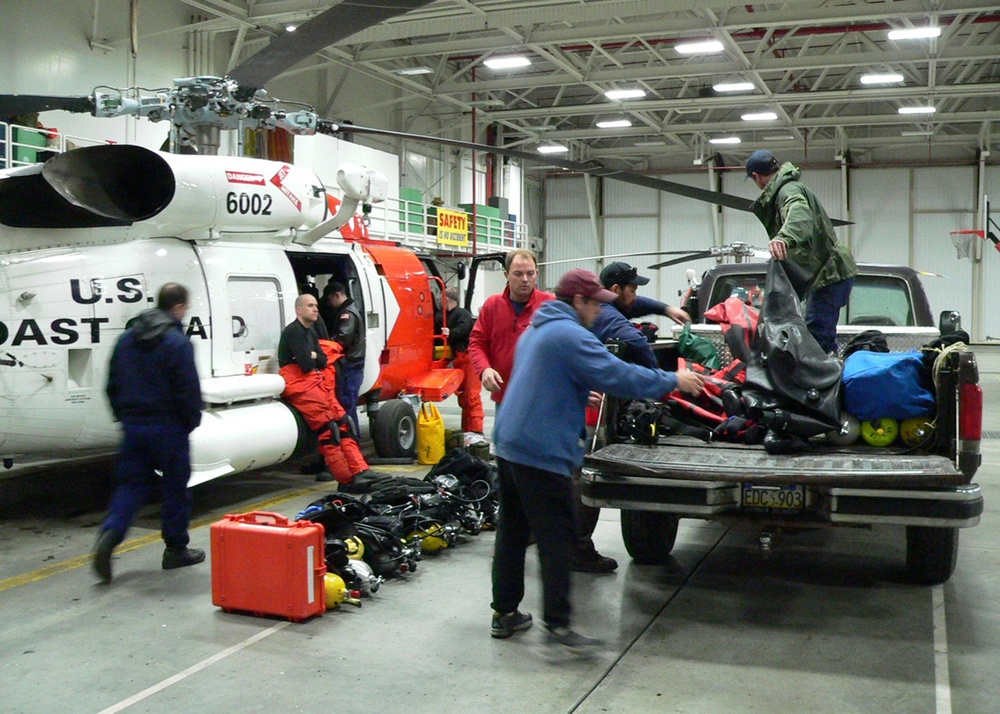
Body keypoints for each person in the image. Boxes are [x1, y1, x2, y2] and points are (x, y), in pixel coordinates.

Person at [489, 269, 704, 660]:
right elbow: (617, 374)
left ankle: (505, 613)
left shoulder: (538, 328)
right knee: (557, 537)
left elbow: (542, 376)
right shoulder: (572, 335)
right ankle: (558, 625)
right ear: (578, 302)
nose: (600, 310)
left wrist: (574, 389)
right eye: (596, 303)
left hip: (509, 442)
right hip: (540, 449)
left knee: (513, 531)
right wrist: (673, 379)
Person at [562, 260, 691, 574]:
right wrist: (661, 379)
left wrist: (664, 308)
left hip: (576, 404)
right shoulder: (608, 315)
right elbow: (633, 341)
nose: (636, 297)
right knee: (583, 476)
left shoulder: (592, 311)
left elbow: (633, 306)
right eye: (632, 289)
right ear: (613, 291)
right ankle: (576, 548)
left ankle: (561, 542)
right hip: (589, 408)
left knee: (570, 475)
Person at [93, 283, 205, 584]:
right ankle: (176, 549)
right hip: (169, 427)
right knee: (175, 488)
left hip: (134, 426)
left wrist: (124, 417)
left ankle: (112, 532)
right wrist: (190, 422)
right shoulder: (178, 343)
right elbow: (188, 390)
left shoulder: (126, 339)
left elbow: (111, 385)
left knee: (130, 485)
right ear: (179, 307)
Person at [746, 150, 858, 355]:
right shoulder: (788, 188)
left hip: (829, 273)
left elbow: (799, 213)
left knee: (817, 338)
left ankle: (822, 382)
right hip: (828, 274)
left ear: (756, 176)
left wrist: (784, 236)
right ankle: (830, 376)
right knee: (820, 335)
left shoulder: (787, 191)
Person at [278, 294, 375, 492]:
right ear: (299, 310)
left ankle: (359, 470)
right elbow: (306, 365)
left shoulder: (311, 332)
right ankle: (345, 479)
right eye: (310, 306)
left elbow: (320, 361)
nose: (316, 309)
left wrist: (312, 356)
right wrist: (312, 357)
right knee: (328, 430)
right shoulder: (293, 332)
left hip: (314, 380)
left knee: (343, 421)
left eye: (316, 305)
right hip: (299, 383)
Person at [467, 249, 554, 405]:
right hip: (504, 397)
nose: (525, 279)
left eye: (530, 273)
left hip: (542, 398)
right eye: (518, 274)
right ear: (506, 275)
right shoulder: (492, 306)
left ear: (537, 273)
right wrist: (484, 369)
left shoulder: (550, 305)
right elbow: (476, 343)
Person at [323, 281, 366, 435]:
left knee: (347, 405)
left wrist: (323, 344)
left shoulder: (347, 314)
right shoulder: (351, 310)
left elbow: (342, 339)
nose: (329, 305)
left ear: (336, 295)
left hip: (350, 365)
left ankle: (352, 439)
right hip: (352, 364)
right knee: (347, 403)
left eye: (329, 300)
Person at [442, 287, 484, 434]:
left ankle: (477, 433)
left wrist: (449, 333)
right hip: (461, 358)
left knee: (472, 397)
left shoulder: (462, 314)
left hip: (469, 358)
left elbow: (465, 328)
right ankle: (468, 432)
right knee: (465, 398)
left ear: (445, 299)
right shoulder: (447, 316)